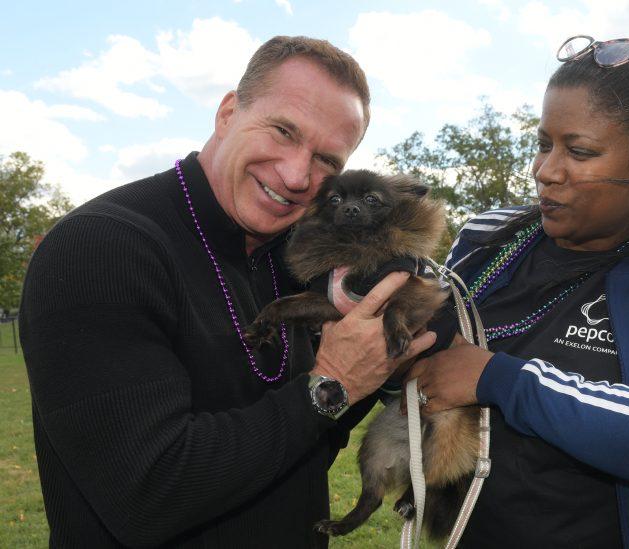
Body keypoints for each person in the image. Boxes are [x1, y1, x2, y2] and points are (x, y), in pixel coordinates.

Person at [20, 36, 435, 548]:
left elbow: (307, 449)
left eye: (327, 159)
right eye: (283, 131)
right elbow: (147, 495)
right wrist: (329, 385)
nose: (296, 174)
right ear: (227, 112)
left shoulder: (294, 260)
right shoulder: (99, 249)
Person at [408, 36, 629, 548]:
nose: (546, 171)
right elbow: (416, 373)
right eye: (544, 143)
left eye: (580, 151)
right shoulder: (484, 241)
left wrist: (499, 378)